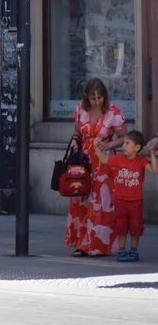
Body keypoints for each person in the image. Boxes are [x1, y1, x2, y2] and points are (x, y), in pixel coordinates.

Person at [66, 78, 127, 257]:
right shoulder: (80, 110)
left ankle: (100, 245)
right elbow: (77, 131)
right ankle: (83, 244)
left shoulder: (113, 113)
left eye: (100, 97)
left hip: (104, 161)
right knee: (81, 198)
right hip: (84, 160)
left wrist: (110, 145)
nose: (97, 101)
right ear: (86, 97)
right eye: (93, 98)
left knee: (101, 202)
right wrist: (76, 142)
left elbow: (124, 137)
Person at [94, 130, 158, 262]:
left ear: (137, 148)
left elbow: (154, 170)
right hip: (120, 201)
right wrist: (96, 146)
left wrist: (152, 155)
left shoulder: (141, 161)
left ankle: (133, 250)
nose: (123, 146)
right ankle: (122, 250)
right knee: (121, 226)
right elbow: (104, 159)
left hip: (136, 202)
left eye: (127, 143)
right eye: (123, 143)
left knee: (135, 227)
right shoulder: (118, 159)